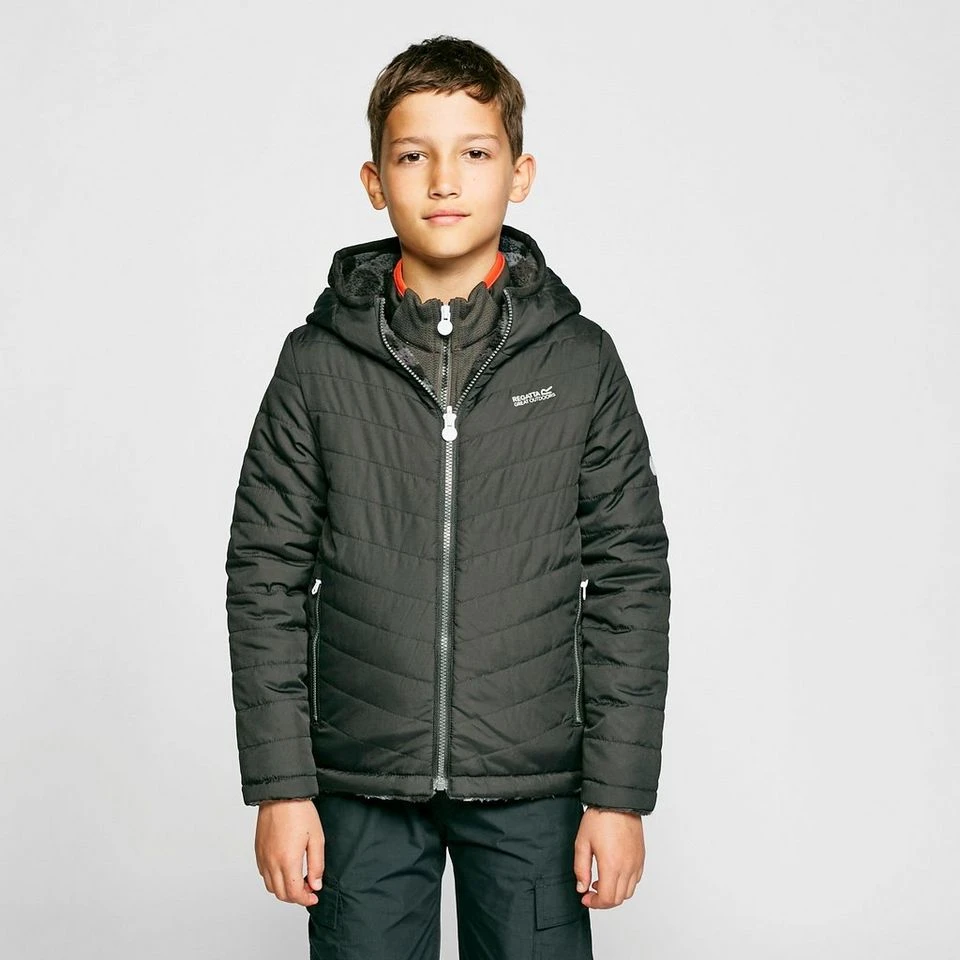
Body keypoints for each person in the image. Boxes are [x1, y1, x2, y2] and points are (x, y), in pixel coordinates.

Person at [225, 35, 670, 960]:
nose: (443, 180)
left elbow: (631, 578)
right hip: (359, 782)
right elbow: (264, 575)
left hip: (536, 785)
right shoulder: (315, 365)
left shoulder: (582, 363)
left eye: (474, 151)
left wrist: (618, 796)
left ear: (520, 173)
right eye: (412, 155)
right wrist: (281, 786)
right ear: (373, 182)